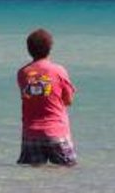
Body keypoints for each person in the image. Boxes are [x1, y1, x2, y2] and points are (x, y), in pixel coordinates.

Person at [16, 28, 77, 166]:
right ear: (50, 48)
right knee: (67, 172)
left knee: (32, 176)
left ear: (28, 49)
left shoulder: (22, 73)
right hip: (56, 132)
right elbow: (68, 100)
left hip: (31, 133)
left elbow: (27, 97)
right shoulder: (58, 70)